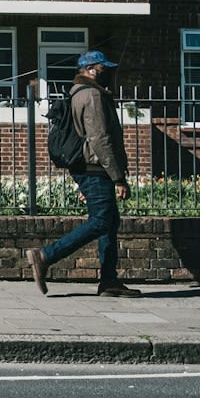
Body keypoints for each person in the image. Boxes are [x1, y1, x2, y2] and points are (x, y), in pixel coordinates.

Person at [26, 51, 140, 297]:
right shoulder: (92, 95)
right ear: (91, 70)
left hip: (89, 168)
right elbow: (99, 138)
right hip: (96, 168)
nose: (108, 73)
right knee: (101, 221)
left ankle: (109, 281)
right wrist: (118, 177)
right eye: (103, 68)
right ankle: (46, 255)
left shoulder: (78, 92)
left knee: (109, 222)